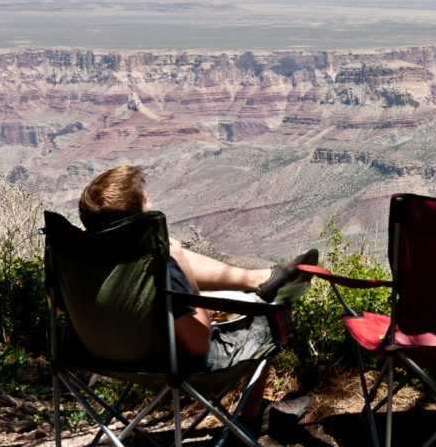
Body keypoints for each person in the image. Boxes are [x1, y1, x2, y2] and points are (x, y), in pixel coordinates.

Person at [78, 165, 318, 432]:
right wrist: (186, 278)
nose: (150, 198)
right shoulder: (160, 265)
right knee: (270, 315)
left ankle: (259, 278)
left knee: (168, 249)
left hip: (101, 355)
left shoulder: (78, 259)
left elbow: (64, 310)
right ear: (141, 215)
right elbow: (198, 344)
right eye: (145, 197)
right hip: (169, 362)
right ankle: (251, 416)